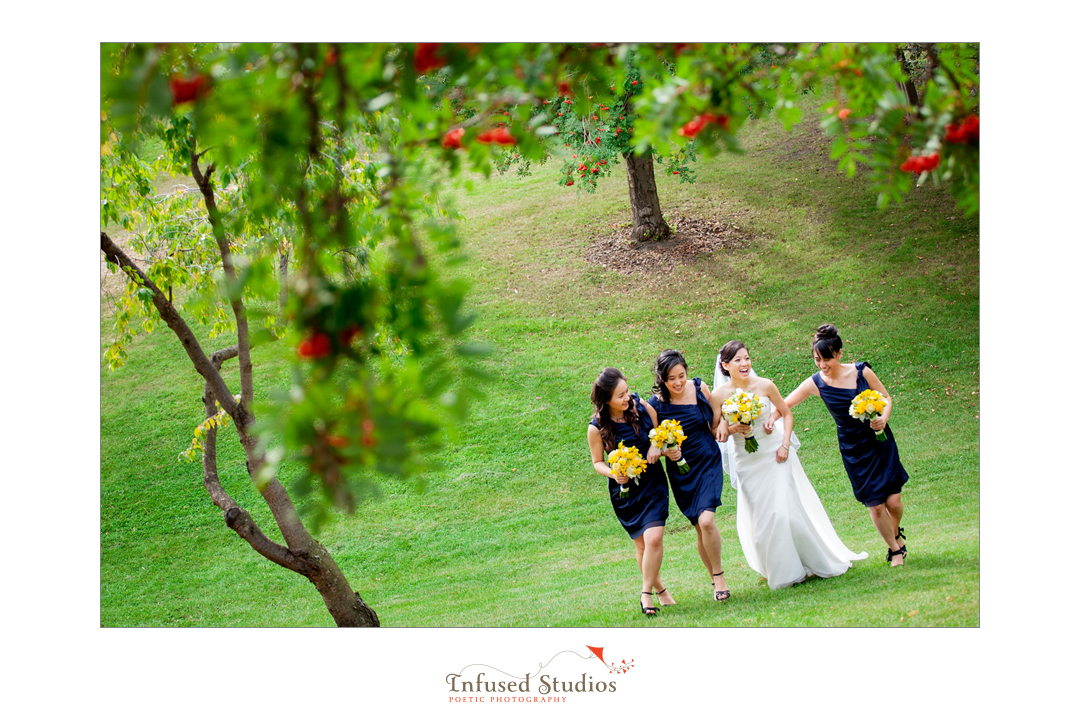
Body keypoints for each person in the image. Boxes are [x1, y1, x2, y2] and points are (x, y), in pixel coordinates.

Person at [713, 340, 868, 589]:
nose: (744, 364)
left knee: (783, 512)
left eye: (747, 358)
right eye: (738, 360)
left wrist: (785, 444)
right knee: (763, 518)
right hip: (747, 461)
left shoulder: (764, 385)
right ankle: (778, 568)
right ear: (725, 365)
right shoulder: (718, 395)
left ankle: (804, 564)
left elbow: (786, 413)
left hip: (775, 454)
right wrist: (731, 427)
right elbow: (715, 432)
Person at [770, 324, 910, 567]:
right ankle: (895, 550)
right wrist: (772, 418)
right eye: (817, 360)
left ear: (840, 354)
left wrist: (883, 418)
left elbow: (886, 398)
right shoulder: (815, 383)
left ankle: (895, 532)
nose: (822, 365)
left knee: (893, 502)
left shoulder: (861, 372)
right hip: (854, 449)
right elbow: (785, 404)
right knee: (876, 506)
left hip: (880, 440)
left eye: (827, 359)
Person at [588, 368, 677, 616]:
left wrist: (656, 447)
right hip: (625, 490)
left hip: (652, 482)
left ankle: (645, 594)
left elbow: (660, 435)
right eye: (620, 396)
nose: (627, 398)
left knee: (654, 538)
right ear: (606, 400)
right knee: (641, 545)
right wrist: (614, 473)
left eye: (626, 391)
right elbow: (597, 462)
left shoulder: (641, 407)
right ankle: (661, 592)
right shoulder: (596, 427)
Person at [646, 350, 731, 602]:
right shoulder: (654, 405)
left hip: (707, 461)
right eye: (671, 378)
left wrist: (726, 422)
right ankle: (714, 579)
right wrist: (664, 451)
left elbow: (715, 423)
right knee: (698, 526)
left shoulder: (700, 387)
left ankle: (720, 576)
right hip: (682, 472)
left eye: (681, 375)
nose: (678, 382)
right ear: (662, 378)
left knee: (707, 521)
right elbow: (653, 444)